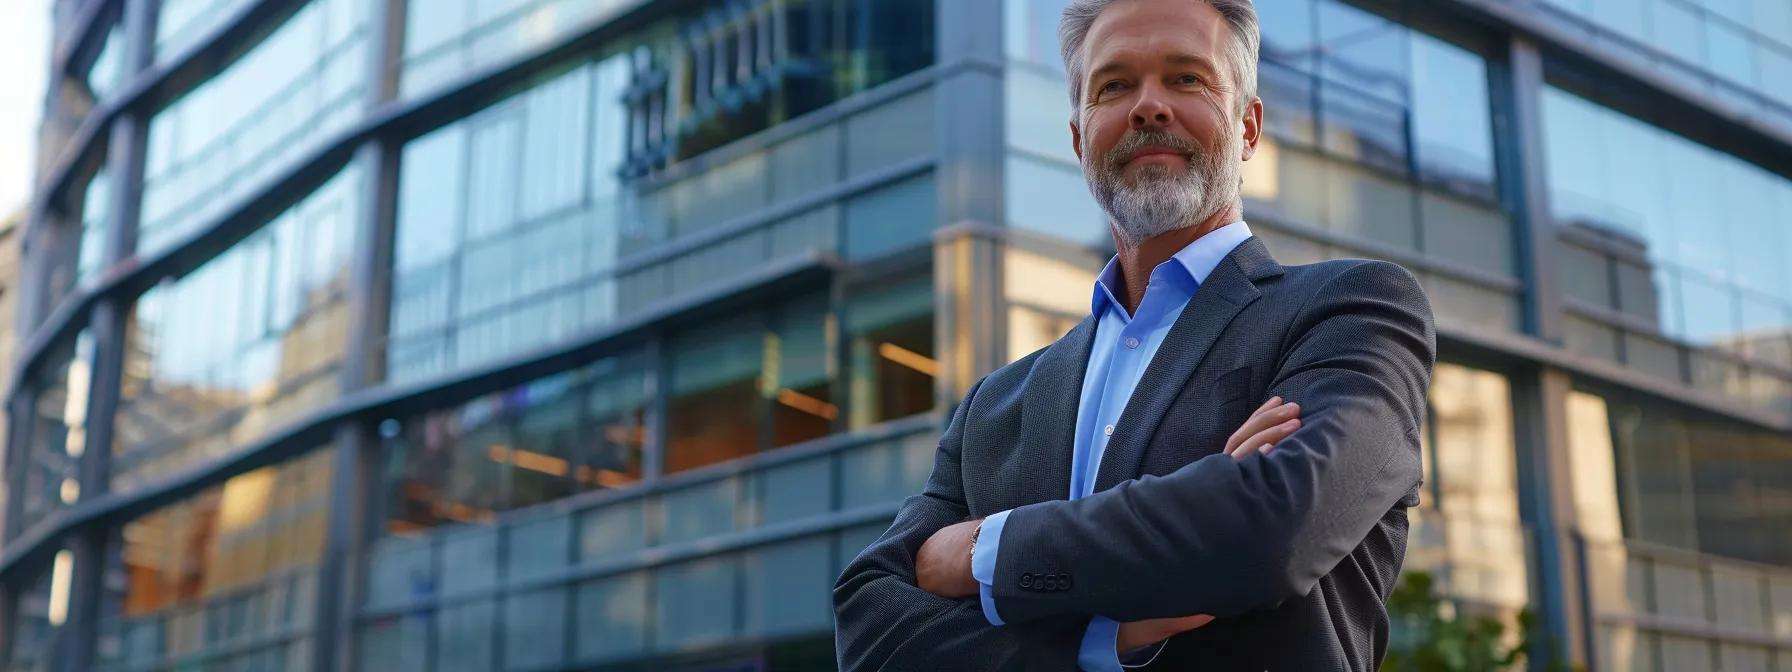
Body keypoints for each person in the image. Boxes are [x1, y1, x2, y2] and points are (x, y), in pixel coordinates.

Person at [832, 0, 1435, 669]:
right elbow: (869, 627)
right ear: (1078, 137)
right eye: (1114, 86)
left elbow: (1275, 528)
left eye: (1187, 79)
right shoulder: (994, 407)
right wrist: (1101, 641)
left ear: (1249, 127)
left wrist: (982, 551)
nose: (1149, 107)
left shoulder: (1351, 311)